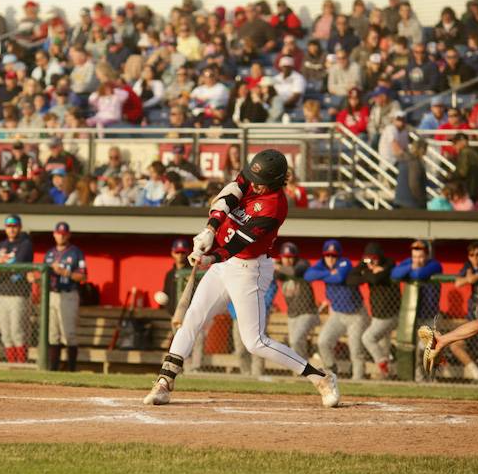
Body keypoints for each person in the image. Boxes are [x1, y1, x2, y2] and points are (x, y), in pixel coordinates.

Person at [143, 150, 340, 408]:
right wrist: (209, 230)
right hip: (224, 264)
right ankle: (164, 383)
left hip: (250, 268)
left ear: (275, 181)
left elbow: (239, 243)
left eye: (260, 182)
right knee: (192, 318)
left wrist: (210, 257)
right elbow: (226, 197)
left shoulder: (275, 207)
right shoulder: (252, 177)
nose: (253, 183)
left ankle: (321, 377)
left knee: (254, 342)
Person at [305, 239, 369, 380]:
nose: (330, 258)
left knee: (356, 350)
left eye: (334, 255)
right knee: (323, 341)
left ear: (339, 256)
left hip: (356, 315)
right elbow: (308, 275)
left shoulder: (345, 262)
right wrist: (329, 274)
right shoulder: (322, 265)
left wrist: (325, 275)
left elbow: (339, 277)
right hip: (338, 314)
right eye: (327, 255)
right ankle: (331, 369)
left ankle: (357, 380)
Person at [419, 241, 478, 376]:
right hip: (473, 317)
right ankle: (477, 375)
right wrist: (470, 278)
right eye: (472, 255)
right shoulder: (468, 266)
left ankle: (442, 340)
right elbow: (458, 282)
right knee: (458, 344)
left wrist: (474, 277)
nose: (475, 258)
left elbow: (470, 279)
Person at [346, 242, 400, 379]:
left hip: (390, 315)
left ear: (380, 257)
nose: (370, 262)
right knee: (384, 345)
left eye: (373, 259)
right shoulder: (367, 264)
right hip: (376, 315)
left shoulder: (389, 263)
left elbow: (377, 279)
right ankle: (386, 374)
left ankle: (383, 363)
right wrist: (368, 271)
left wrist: (367, 273)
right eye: (368, 259)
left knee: (367, 338)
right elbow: (350, 279)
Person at [43, 222, 87, 371]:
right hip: (52, 294)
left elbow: (83, 276)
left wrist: (65, 272)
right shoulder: (49, 253)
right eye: (58, 233)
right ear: (54, 234)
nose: (61, 236)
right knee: (52, 334)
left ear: (68, 235)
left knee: (68, 334)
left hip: (69, 294)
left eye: (63, 234)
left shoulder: (75, 252)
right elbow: (43, 275)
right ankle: (53, 370)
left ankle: (71, 370)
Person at [0, 214, 34, 363]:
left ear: (19, 228)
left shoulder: (25, 243)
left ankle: (21, 366)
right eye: (9, 227)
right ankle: (11, 365)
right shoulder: (1, 245)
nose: (12, 229)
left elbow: (18, 263)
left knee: (17, 332)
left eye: (14, 226)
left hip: (18, 294)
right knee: (6, 334)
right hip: (1, 293)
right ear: (5, 229)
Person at [274, 242, 320, 359]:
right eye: (285, 257)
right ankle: (303, 372)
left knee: (295, 341)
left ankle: (303, 369)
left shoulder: (302, 264)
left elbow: (295, 272)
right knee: (295, 345)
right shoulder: (280, 272)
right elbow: (276, 275)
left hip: (307, 313)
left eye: (291, 257)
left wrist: (278, 266)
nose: (288, 260)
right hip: (292, 315)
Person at [451, 133, 478, 202]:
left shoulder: (465, 152)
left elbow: (463, 172)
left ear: (462, 142)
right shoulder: (473, 152)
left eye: (455, 143)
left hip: (469, 189)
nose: (454, 146)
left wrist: (452, 176)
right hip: (474, 189)